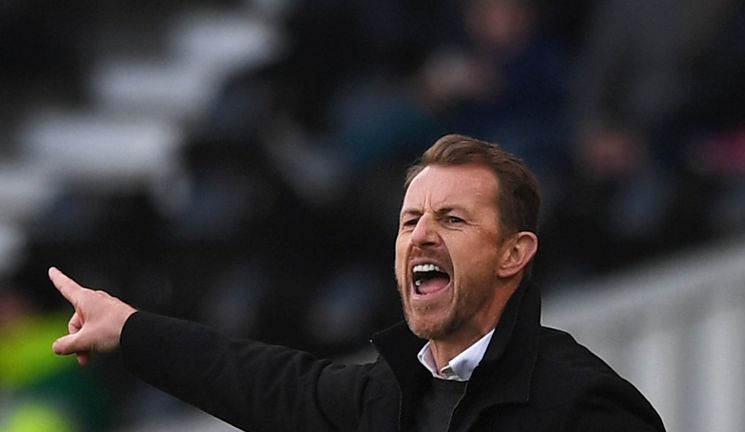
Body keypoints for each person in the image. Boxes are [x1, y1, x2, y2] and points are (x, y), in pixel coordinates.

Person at [50, 134, 666, 431]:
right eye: (409, 221)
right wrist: (130, 330)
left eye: (451, 219)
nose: (421, 236)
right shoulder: (384, 397)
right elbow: (256, 381)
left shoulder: (584, 406)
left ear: (514, 253)